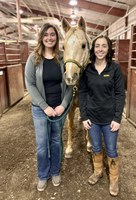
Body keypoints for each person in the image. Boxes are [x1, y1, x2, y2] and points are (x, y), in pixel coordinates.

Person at [25, 23, 72, 192]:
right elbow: (30, 85)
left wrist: (63, 105)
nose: (49, 38)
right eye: (46, 35)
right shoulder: (33, 59)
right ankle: (43, 174)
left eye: (52, 34)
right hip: (40, 109)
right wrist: (44, 106)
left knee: (56, 141)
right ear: (41, 38)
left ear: (57, 37)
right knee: (42, 143)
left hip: (59, 108)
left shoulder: (62, 57)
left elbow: (69, 84)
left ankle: (55, 171)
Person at [78, 35, 125, 196]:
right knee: (96, 147)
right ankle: (98, 171)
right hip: (92, 119)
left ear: (108, 48)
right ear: (93, 49)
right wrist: (84, 116)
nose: (100, 49)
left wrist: (117, 118)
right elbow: (82, 93)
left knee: (111, 150)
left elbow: (120, 94)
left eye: (104, 46)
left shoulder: (115, 69)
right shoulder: (87, 69)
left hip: (110, 119)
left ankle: (114, 179)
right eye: (97, 46)